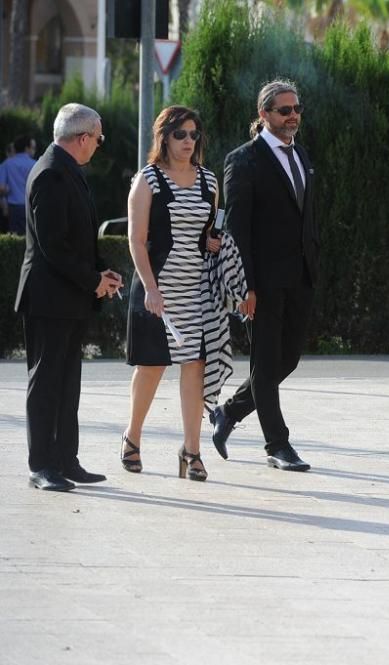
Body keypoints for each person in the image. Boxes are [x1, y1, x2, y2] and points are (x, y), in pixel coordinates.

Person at [121, 105, 244, 482]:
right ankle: (132, 438)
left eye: (194, 135)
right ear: (164, 137)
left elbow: (209, 231)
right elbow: (136, 240)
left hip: (197, 290)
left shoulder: (209, 181)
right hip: (157, 288)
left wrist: (212, 242)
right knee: (152, 367)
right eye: (181, 135)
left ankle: (191, 451)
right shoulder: (149, 180)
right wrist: (151, 289)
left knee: (195, 367)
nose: (189, 141)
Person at [210, 79, 318, 472]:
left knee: (286, 359)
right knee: (266, 359)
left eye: (296, 109)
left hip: (300, 274)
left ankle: (229, 412)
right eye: (284, 110)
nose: (293, 117)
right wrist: (245, 286)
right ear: (264, 115)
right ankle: (278, 444)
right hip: (262, 281)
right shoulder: (243, 160)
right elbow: (237, 229)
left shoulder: (302, 155)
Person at [15, 103, 122, 492]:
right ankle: (41, 464)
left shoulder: (68, 170)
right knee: (45, 382)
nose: (98, 145)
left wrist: (101, 272)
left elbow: (79, 238)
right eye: (98, 138)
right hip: (48, 299)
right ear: (82, 138)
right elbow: (53, 247)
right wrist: (91, 280)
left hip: (69, 296)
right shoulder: (49, 174)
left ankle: (65, 459)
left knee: (67, 381)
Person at [0, 135, 38, 235]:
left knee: (14, 236)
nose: (34, 150)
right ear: (26, 148)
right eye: (32, 148)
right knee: (31, 237)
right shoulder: (36, 164)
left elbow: (1, 188)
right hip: (32, 206)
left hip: (13, 207)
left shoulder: (7, 164)